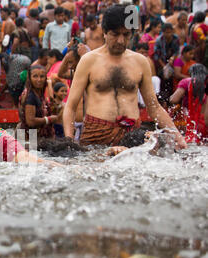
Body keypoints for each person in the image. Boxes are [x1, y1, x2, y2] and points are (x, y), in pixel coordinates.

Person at [62, 4, 186, 149]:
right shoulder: (89, 60)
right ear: (105, 32)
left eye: (126, 34)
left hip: (132, 136)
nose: (121, 40)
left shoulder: (140, 62)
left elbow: (154, 108)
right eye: (115, 34)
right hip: (96, 134)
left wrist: (178, 137)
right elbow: (70, 106)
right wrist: (69, 142)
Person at [170, 63, 207, 144]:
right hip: (203, 123)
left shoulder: (186, 82)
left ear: (191, 73)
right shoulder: (205, 85)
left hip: (187, 121)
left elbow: (174, 100)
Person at [18, 65, 58, 140]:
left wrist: (49, 86)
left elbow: (53, 105)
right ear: (30, 78)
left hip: (38, 136)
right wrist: (49, 119)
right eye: (35, 76)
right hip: (31, 137)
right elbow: (30, 121)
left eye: (42, 76)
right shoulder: (30, 96)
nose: (39, 79)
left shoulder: (39, 93)